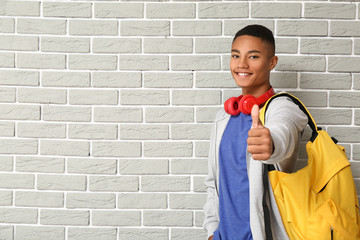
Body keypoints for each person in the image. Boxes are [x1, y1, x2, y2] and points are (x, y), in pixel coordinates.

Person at [203, 24, 308, 240]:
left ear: (272, 62)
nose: (241, 64)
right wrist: (212, 230)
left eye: (253, 57)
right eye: (235, 56)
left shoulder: (282, 108)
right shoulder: (223, 118)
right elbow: (213, 182)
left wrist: (271, 143)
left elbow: (285, 129)